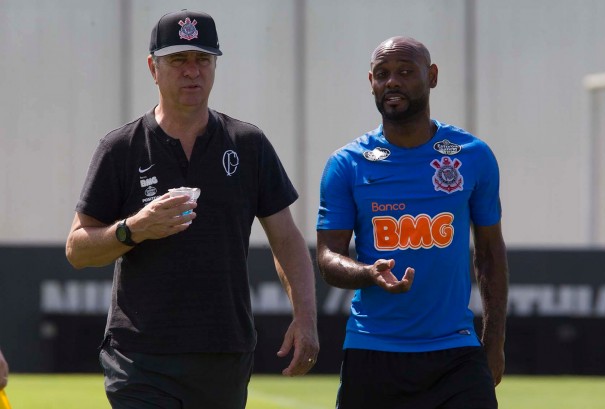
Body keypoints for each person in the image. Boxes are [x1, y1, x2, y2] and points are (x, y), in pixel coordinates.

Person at [65, 9, 319, 409]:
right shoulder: (120, 148)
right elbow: (77, 249)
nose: (192, 71)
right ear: (153, 67)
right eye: (178, 60)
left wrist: (306, 316)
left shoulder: (248, 144)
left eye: (202, 59)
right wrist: (134, 229)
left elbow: (285, 238)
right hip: (140, 355)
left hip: (223, 353)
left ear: (215, 66)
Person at [317, 36, 508, 409]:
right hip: (373, 349)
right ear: (370, 81)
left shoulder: (473, 156)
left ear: (432, 76)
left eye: (405, 72)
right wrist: (369, 273)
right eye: (383, 74)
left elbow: (489, 253)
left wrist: (495, 342)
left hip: (455, 352)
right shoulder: (346, 163)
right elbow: (327, 258)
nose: (393, 82)